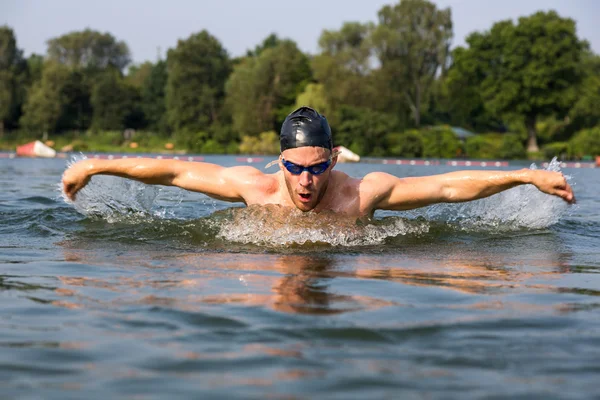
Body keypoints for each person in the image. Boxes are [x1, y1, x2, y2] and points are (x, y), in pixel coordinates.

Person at [62, 107, 575, 217]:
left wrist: (526, 174)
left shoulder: (362, 193)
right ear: (278, 162)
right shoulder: (255, 187)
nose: (305, 182)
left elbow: (444, 187)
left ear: (333, 159)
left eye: (317, 168)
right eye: (294, 169)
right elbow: (173, 171)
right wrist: (95, 165)